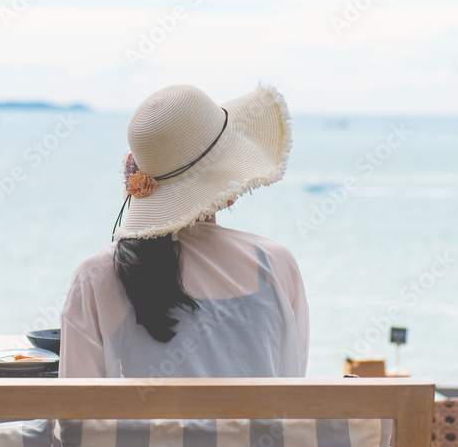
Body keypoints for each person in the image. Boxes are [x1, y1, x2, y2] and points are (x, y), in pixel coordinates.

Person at [59, 83, 308, 379]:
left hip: (144, 429)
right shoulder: (275, 264)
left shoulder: (96, 275)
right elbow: (292, 381)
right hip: (259, 428)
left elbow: (76, 413)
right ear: (230, 191)